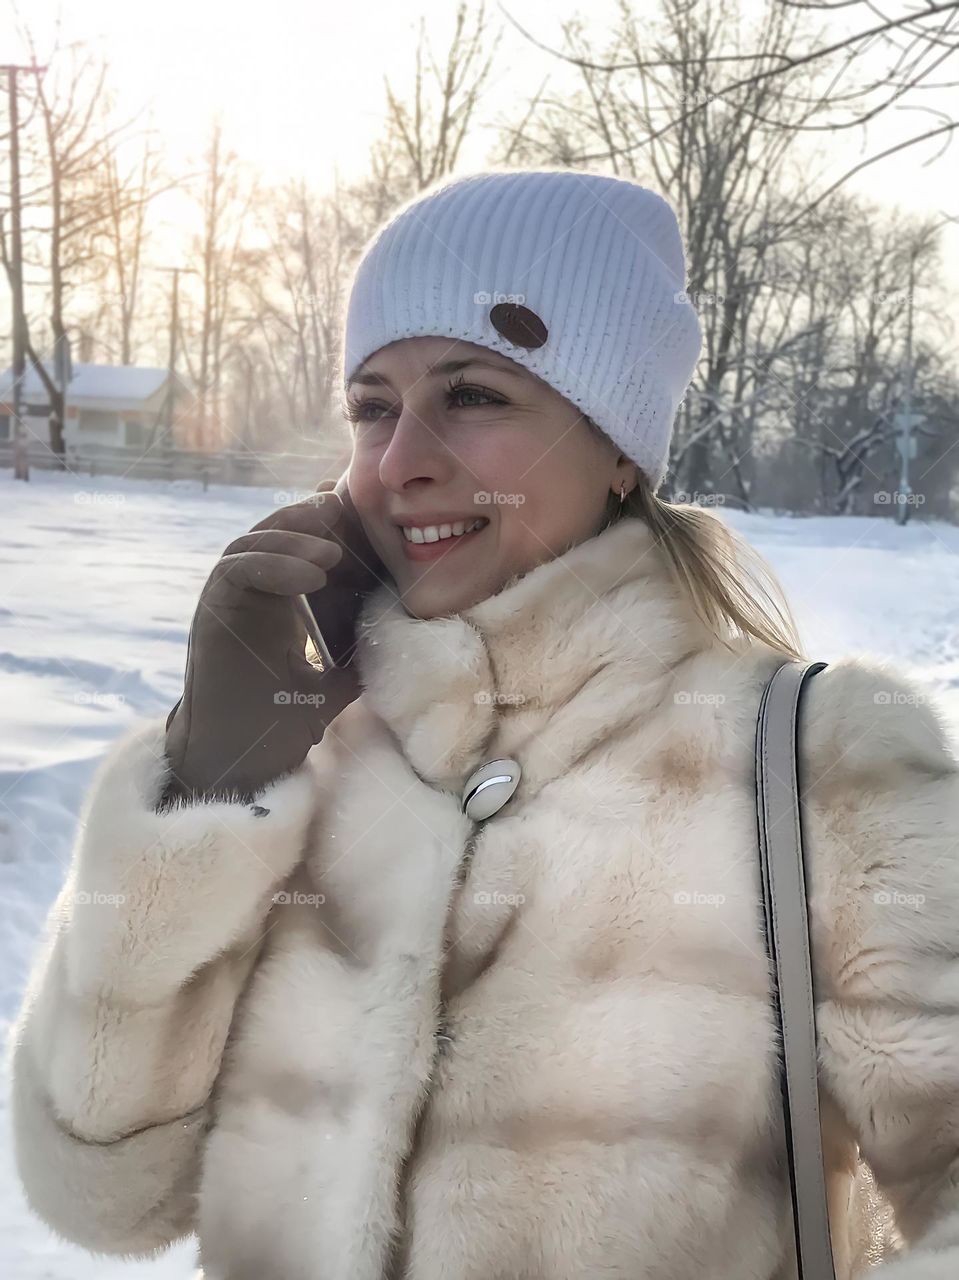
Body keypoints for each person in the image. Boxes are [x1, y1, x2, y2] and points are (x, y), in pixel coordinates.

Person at [8, 168, 959, 1280]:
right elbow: (102, 1188)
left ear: (616, 449)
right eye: (371, 405)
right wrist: (211, 781)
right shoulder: (309, 763)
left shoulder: (817, 758)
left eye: (472, 394)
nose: (400, 457)